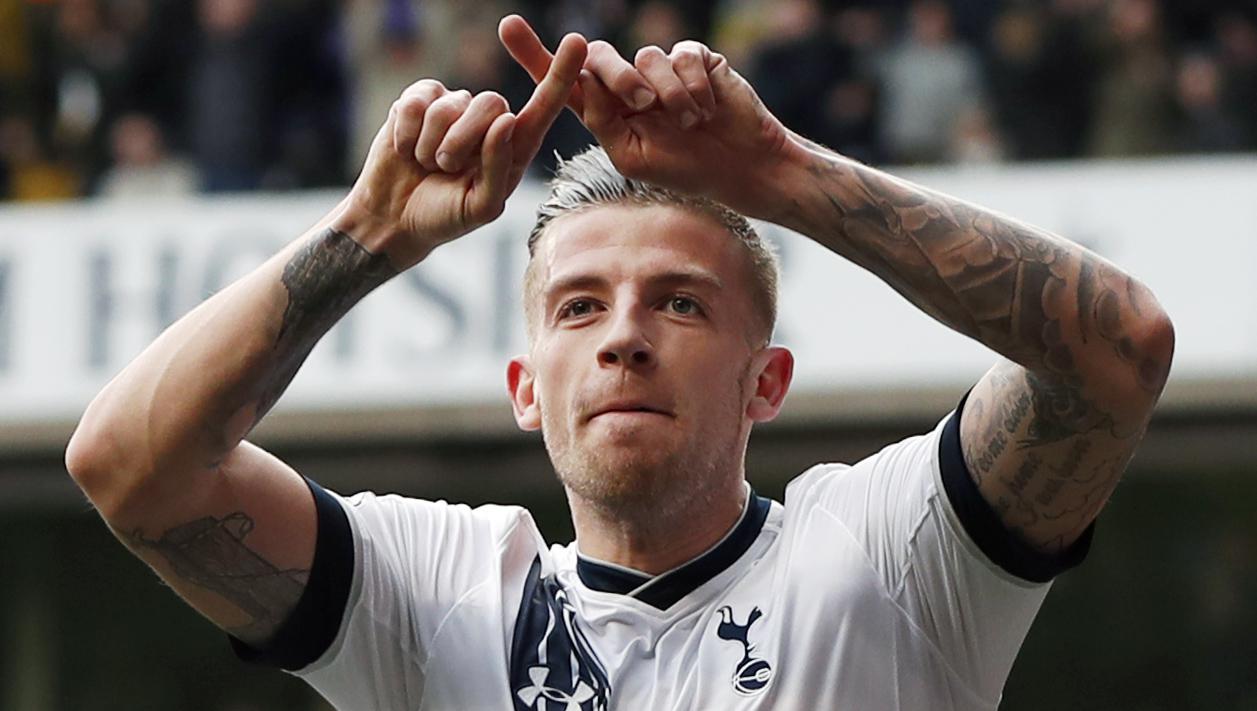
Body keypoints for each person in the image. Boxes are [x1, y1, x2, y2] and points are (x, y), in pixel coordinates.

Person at [65, 14, 1174, 710]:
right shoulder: (435, 596)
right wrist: (371, 234)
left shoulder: (886, 557)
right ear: (524, 390)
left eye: (681, 303)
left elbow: (1118, 350)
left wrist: (782, 176)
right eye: (579, 306)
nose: (625, 333)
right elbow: (130, 469)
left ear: (766, 383)